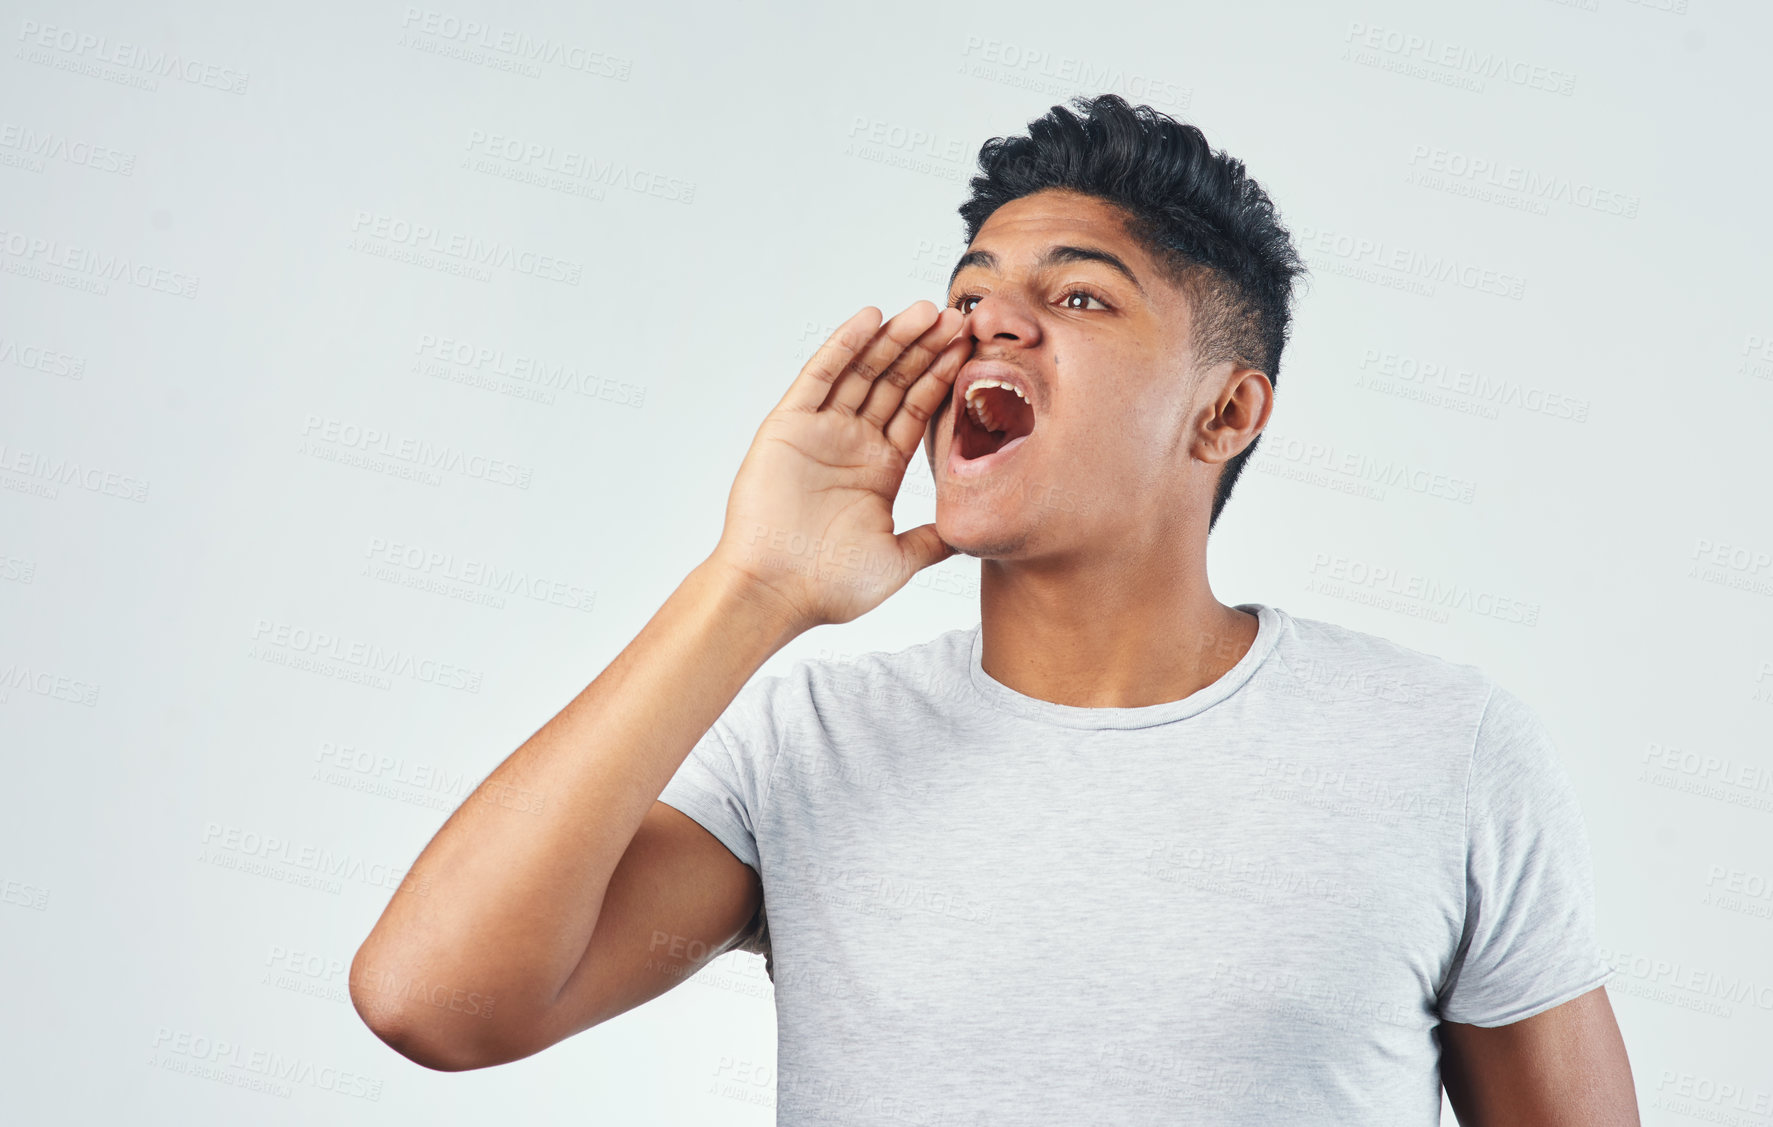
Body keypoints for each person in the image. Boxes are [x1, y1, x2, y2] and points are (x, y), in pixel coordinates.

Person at [351, 94, 1640, 1124]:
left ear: (1229, 410)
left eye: (1078, 296)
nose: (987, 327)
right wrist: (751, 588)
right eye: (970, 295)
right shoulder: (810, 748)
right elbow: (435, 1002)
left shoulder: (1442, 746)